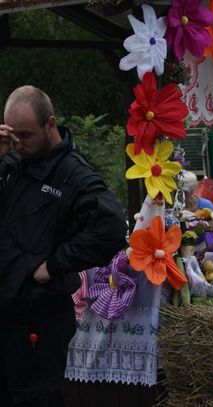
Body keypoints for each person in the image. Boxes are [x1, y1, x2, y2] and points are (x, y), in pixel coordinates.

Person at [0, 86, 127, 406]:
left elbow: (112, 230)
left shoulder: (73, 174)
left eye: (25, 135)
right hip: (7, 314)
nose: (19, 143)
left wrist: (53, 266)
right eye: (12, 134)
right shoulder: (12, 160)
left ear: (50, 124)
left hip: (39, 321)